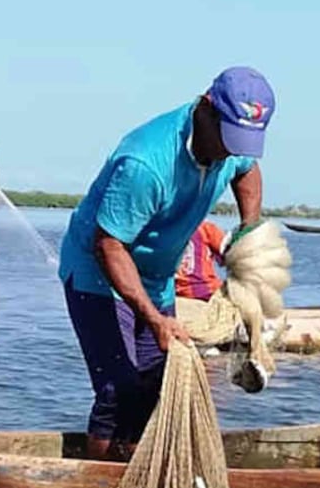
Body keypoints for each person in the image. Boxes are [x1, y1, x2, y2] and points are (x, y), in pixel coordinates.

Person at [58, 66, 275, 460]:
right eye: (227, 138)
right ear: (205, 108)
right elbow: (108, 245)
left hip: (157, 277)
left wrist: (249, 227)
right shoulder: (146, 163)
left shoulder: (233, 145)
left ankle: (137, 469)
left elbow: (247, 169)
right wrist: (155, 319)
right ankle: (97, 481)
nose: (230, 151)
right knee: (118, 390)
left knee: (155, 386)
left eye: (241, 142)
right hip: (98, 272)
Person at [175, 220, 228, 301]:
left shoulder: (164, 229)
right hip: (207, 290)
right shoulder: (205, 227)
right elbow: (229, 257)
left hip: (177, 291)